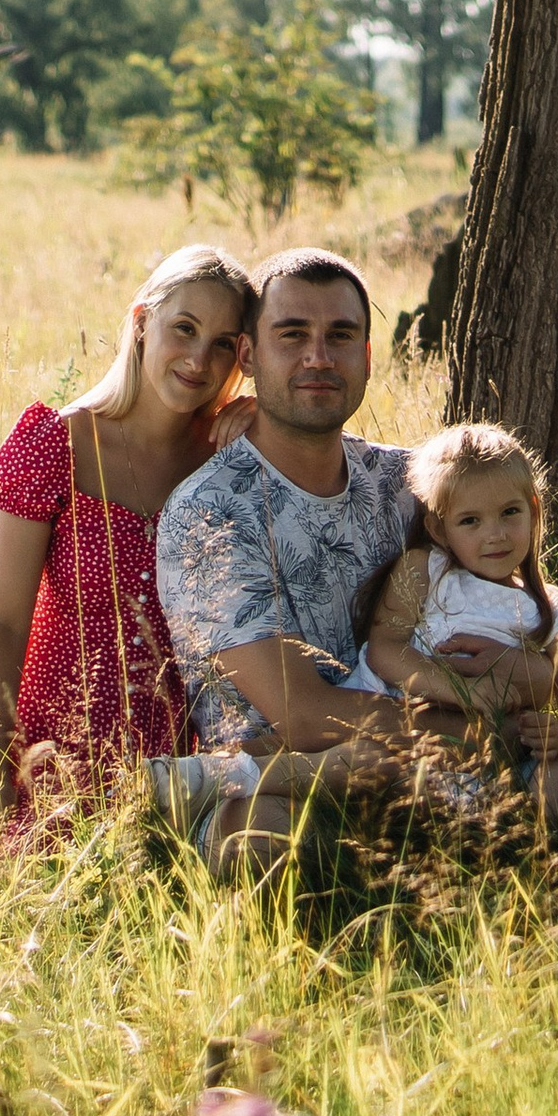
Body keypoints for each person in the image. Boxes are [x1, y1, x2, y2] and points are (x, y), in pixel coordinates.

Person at [0, 242, 256, 870]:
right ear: (140, 322)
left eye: (223, 345)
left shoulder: (232, 456)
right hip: (27, 734)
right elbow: (2, 622)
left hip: (161, 752)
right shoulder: (56, 443)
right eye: (184, 328)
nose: (198, 358)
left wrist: (266, 419)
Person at [152, 246, 427, 870]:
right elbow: (303, 715)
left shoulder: (409, 484)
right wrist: (461, 729)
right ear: (248, 357)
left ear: (365, 356)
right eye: (292, 334)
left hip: (423, 765)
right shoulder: (212, 510)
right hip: (278, 784)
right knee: (260, 845)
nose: (318, 357)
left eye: (340, 336)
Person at [354, 420, 558, 868]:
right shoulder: (428, 570)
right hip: (405, 741)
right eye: (470, 521)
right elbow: (384, 648)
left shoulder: (548, 611)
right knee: (333, 765)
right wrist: (464, 691)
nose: (494, 534)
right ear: (440, 530)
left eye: (509, 513)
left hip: (504, 765)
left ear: (534, 509)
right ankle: (234, 773)